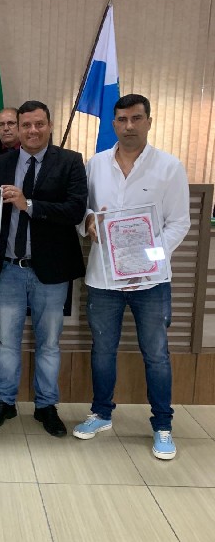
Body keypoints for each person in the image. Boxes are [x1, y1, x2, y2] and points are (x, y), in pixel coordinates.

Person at [73, 94, 190, 459]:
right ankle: (101, 413)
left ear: (149, 122)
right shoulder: (95, 164)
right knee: (103, 351)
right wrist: (88, 223)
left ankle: (163, 426)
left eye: (136, 119)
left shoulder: (169, 167)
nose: (129, 126)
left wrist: (147, 261)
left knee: (156, 355)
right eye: (122, 119)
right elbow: (82, 211)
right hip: (104, 280)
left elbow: (179, 223)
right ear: (114, 124)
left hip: (151, 283)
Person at [0, 100, 87, 435]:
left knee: (49, 344)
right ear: (17, 128)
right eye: (25, 125)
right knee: (6, 343)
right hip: (8, 269)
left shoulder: (70, 161)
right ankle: (4, 402)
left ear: (50, 126)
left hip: (51, 272)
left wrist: (29, 205)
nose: (32, 130)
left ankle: (46, 406)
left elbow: (75, 211)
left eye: (39, 124)